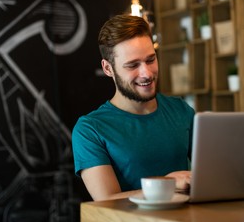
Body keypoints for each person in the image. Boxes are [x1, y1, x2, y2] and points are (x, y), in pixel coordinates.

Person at [72, 14, 195, 201]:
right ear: (108, 69)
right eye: (133, 65)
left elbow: (215, 172)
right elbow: (107, 200)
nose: (146, 73)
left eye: (151, 60)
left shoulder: (181, 110)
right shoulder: (90, 129)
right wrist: (166, 185)